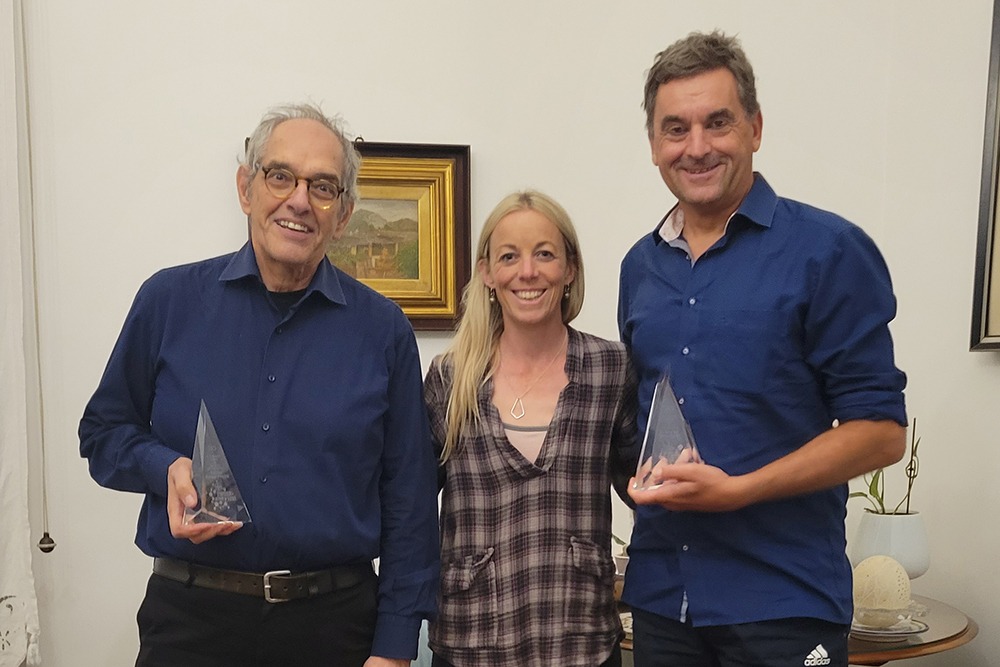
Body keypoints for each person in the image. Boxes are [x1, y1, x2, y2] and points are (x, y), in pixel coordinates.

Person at [79, 103, 439, 667]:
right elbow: (102, 434)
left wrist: (395, 647)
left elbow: (409, 500)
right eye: (280, 176)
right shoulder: (167, 302)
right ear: (246, 188)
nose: (299, 199)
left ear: (342, 215)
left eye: (323, 186)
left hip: (335, 628)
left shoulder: (383, 331)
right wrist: (162, 466)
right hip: (191, 623)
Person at [617, 31, 908, 667]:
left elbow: (882, 433)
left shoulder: (829, 252)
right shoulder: (639, 268)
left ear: (755, 127)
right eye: (675, 128)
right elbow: (644, 419)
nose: (696, 147)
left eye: (717, 122)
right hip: (665, 598)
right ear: (653, 145)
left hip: (784, 601)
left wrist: (739, 490)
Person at [424, 190, 638, 667]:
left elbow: (643, 488)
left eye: (544, 253)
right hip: (472, 642)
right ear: (486, 273)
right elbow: (409, 507)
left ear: (570, 269)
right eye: (509, 257)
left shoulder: (610, 368)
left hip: (579, 637)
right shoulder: (450, 377)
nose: (527, 272)